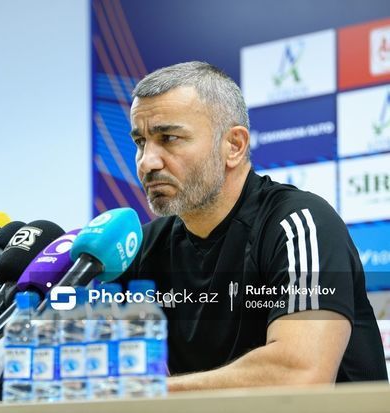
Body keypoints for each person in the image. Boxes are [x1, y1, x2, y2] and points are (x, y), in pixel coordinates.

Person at [121, 61, 387, 391]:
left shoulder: (299, 223)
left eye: (169, 138)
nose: (147, 161)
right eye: (140, 142)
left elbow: (299, 375)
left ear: (234, 146)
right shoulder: (140, 248)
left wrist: (144, 392)